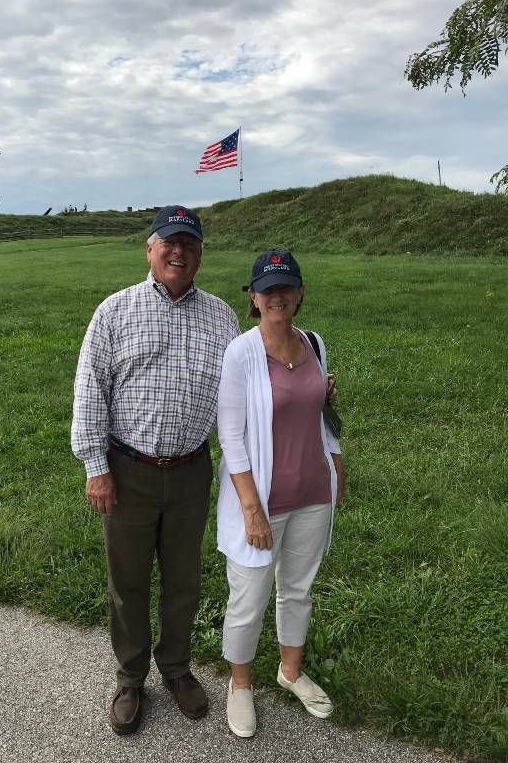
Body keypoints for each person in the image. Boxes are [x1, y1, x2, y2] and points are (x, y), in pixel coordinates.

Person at [71, 205, 239, 736]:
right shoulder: (115, 311)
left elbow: (241, 395)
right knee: (128, 582)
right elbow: (89, 389)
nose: (178, 252)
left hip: (191, 471)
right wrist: (96, 466)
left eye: (188, 244)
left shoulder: (222, 316)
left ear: (200, 256)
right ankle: (129, 677)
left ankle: (176, 668)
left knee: (184, 581)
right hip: (129, 471)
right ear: (150, 248)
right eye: (168, 242)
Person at [216, 248, 345, 738]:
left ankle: (289, 671)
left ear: (300, 292)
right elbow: (230, 436)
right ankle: (240, 683)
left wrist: (335, 461)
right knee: (248, 596)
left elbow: (318, 412)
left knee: (298, 588)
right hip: (262, 500)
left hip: (313, 491)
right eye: (267, 289)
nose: (277, 296)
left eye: (286, 286)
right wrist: (252, 508)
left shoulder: (314, 343)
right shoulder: (242, 353)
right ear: (253, 296)